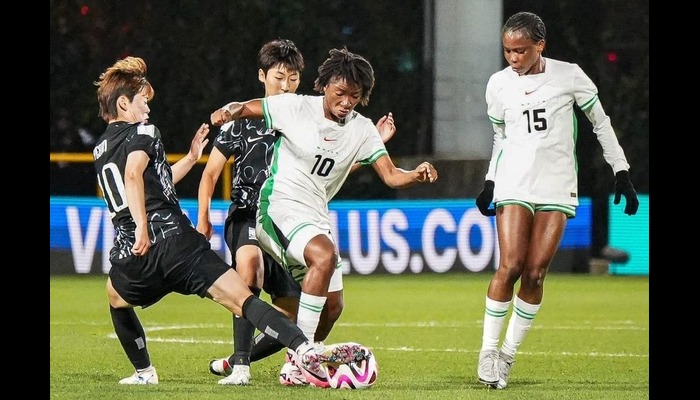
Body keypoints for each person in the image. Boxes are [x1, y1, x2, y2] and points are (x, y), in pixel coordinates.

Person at [91, 55, 361, 386]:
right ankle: (305, 352)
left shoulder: (101, 148)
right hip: (175, 244)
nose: (147, 109)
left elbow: (146, 183)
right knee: (244, 299)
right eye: (142, 101)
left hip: (132, 259)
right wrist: (144, 229)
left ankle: (144, 372)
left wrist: (190, 159)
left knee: (116, 299)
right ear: (123, 103)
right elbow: (134, 175)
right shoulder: (144, 131)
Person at [210, 47, 438, 388]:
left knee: (332, 307)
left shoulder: (362, 129)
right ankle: (299, 359)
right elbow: (246, 108)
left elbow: (390, 175)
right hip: (278, 207)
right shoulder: (296, 106)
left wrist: (416, 175)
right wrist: (228, 110)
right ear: (325, 86)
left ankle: (283, 360)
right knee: (323, 255)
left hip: (315, 216)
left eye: (355, 96)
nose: (346, 102)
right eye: (340, 93)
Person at [473, 12, 639, 390]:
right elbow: (500, 137)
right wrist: (490, 181)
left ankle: (507, 356)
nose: (512, 58)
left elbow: (601, 122)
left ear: (540, 45)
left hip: (557, 184)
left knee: (535, 272)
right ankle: (487, 351)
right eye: (507, 51)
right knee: (511, 264)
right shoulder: (498, 84)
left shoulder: (569, 75)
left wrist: (621, 171)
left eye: (520, 50)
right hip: (514, 181)